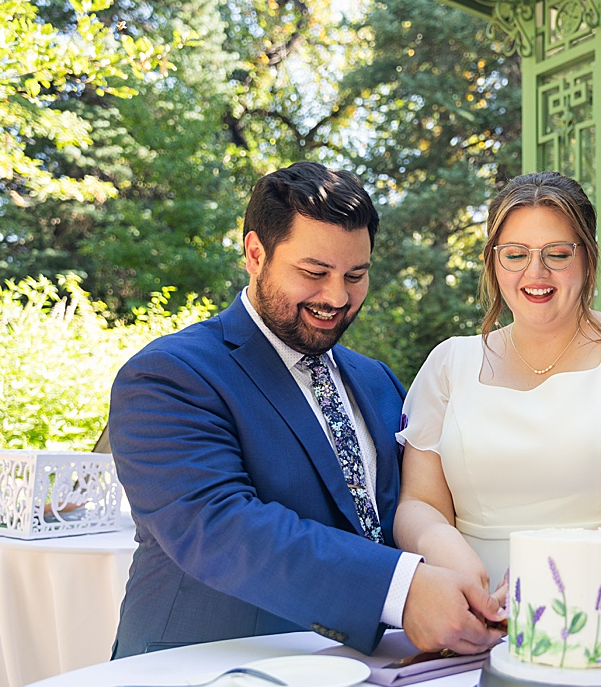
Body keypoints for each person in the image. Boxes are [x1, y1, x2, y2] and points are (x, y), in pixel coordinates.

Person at [108, 162, 505, 659]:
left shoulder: (377, 381)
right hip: (203, 674)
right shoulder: (168, 376)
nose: (336, 297)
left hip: (360, 678)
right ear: (256, 254)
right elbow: (222, 527)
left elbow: (413, 507)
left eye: (355, 275)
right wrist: (400, 591)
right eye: (314, 273)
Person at [394, 172, 601, 662]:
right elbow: (418, 503)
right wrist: (448, 555)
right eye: (516, 254)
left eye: (558, 254)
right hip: (479, 619)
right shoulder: (448, 363)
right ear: (494, 262)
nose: (536, 273)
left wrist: (549, 570)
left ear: (587, 259)